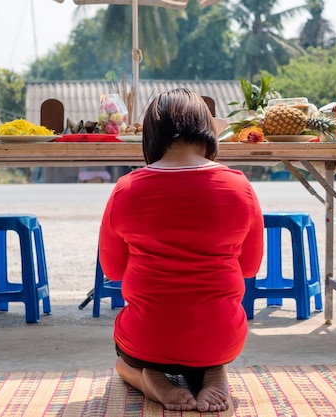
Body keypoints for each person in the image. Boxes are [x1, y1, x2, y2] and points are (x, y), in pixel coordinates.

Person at [98, 88, 264, 412]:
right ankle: (215, 371)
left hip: (145, 339)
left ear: (152, 136)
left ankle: (148, 378)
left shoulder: (126, 189)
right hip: (222, 337)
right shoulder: (239, 186)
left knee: (122, 361)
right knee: (207, 335)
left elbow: (113, 271)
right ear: (207, 132)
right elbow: (250, 267)